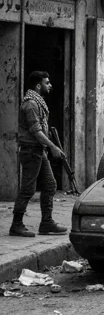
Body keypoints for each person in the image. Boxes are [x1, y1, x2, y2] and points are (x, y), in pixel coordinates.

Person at [10, 71, 68, 237]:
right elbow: (36, 131)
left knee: (50, 185)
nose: (50, 85)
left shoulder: (38, 102)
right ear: (38, 85)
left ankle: (47, 223)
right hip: (31, 150)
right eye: (47, 82)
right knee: (28, 189)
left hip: (38, 150)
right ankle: (16, 224)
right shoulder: (31, 105)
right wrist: (53, 147)